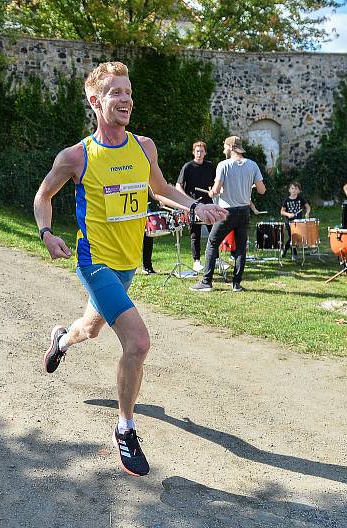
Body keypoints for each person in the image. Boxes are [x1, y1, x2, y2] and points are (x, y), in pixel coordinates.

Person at [33, 61, 227, 477]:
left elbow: (160, 188)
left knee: (89, 329)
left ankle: (60, 342)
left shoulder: (144, 147)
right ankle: (126, 426)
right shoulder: (77, 156)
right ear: (95, 101)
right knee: (137, 343)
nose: (125, 100)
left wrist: (195, 207)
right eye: (115, 93)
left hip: (127, 265)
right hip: (94, 261)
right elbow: (42, 195)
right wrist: (47, 233)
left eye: (128, 92)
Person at [190, 135, 266, 292]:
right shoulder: (252, 165)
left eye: (225, 146)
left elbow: (215, 191)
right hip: (244, 211)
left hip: (227, 212)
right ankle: (236, 284)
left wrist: (211, 192)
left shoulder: (223, 165)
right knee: (240, 248)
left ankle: (206, 282)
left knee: (212, 243)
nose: (223, 149)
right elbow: (261, 190)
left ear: (231, 148)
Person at [176, 141, 215, 272]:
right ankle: (196, 261)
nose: (199, 153)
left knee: (214, 233)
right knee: (195, 234)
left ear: (205, 152)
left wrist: (214, 190)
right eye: (197, 151)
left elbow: (216, 183)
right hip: (193, 205)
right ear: (193, 152)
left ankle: (217, 258)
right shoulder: (188, 167)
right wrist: (186, 200)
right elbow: (178, 185)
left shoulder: (210, 166)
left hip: (208, 204)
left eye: (201, 151)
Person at [280, 181, 311, 260]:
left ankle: (285, 248)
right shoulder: (286, 200)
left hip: (298, 222)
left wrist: (307, 213)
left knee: (294, 237)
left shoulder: (300, 199)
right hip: (289, 222)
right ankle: (294, 253)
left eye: (296, 189)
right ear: (289, 190)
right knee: (292, 237)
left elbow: (308, 207)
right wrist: (288, 214)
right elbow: (282, 211)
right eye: (292, 188)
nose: (294, 190)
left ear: (299, 190)